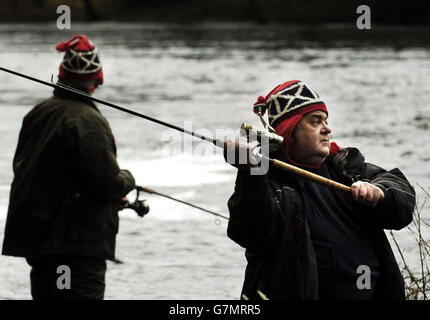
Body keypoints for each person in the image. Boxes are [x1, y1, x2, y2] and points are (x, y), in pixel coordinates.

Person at [225, 80, 416, 300]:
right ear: (289, 132)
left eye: (325, 120)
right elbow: (250, 233)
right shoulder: (267, 180)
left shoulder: (347, 168)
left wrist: (379, 192)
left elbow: (402, 200)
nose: (327, 128)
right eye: (316, 121)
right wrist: (249, 173)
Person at [2, 34, 136, 300]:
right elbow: (107, 183)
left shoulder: (38, 113)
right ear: (97, 79)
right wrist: (128, 179)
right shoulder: (88, 121)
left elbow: (31, 171)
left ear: (62, 74)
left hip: (40, 243)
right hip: (77, 247)